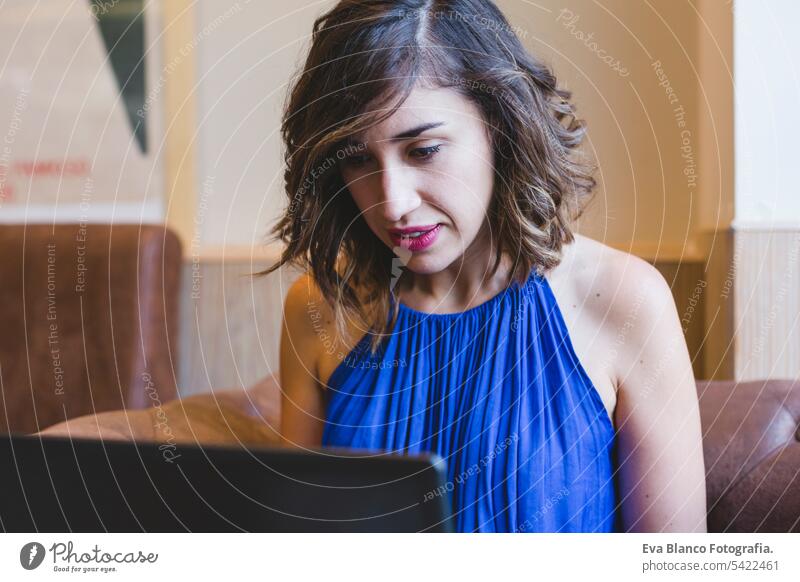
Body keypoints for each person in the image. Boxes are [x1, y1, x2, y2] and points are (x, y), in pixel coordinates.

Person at [262, 0, 707, 533]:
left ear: (501, 128)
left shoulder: (624, 300)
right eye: (357, 158)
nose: (393, 202)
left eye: (423, 150)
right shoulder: (319, 308)